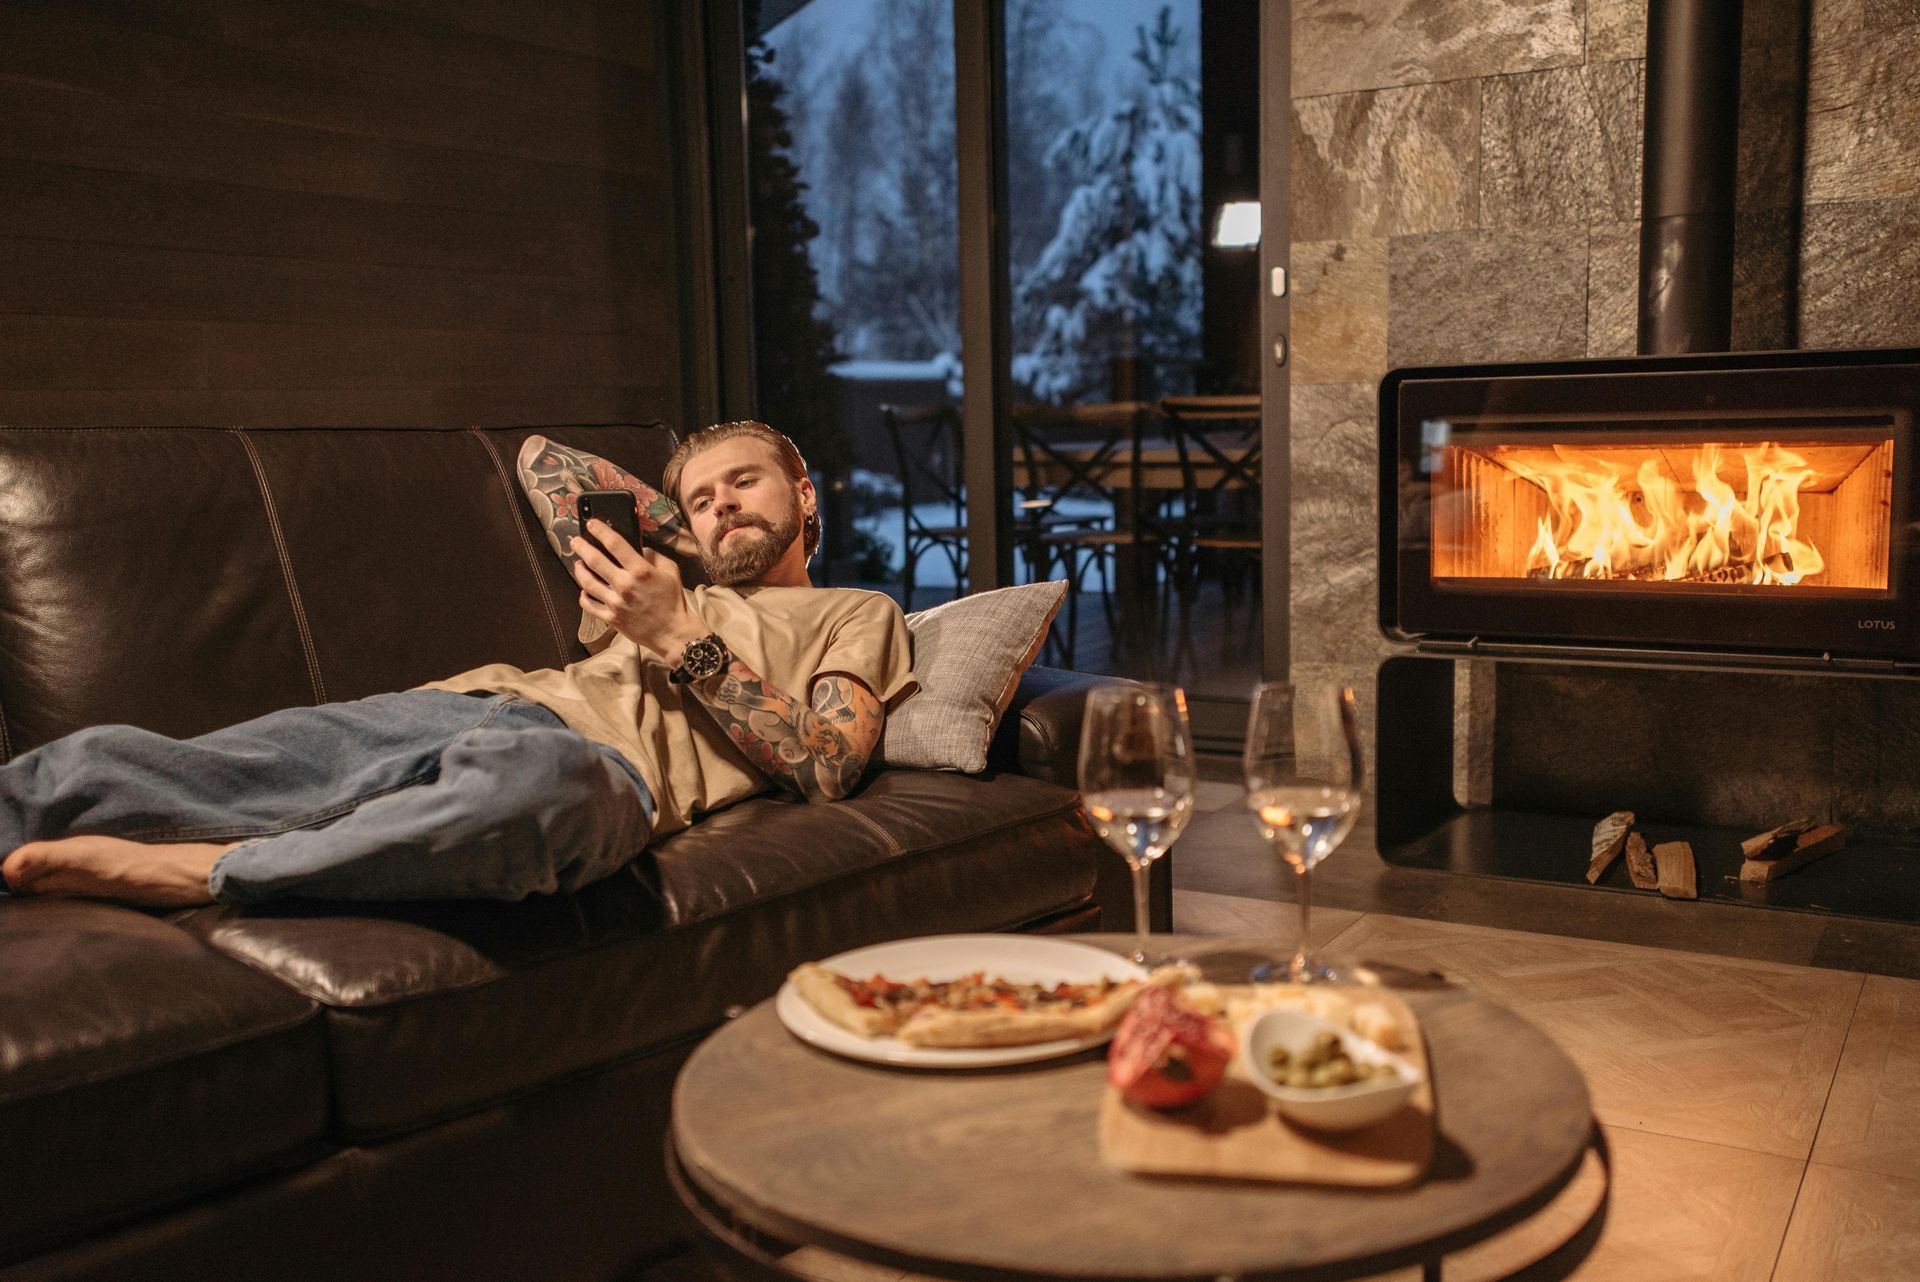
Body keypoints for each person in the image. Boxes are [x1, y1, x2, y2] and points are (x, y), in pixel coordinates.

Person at [0, 422, 915, 908]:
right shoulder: (663, 578)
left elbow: (827, 766)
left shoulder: (855, 611)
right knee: (94, 765)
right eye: (701, 499)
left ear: (804, 492)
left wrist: (678, 634)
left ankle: (213, 873)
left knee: (539, 808)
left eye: (743, 484)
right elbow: (539, 460)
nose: (721, 507)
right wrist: (685, 537)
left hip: (598, 775)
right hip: (471, 705)